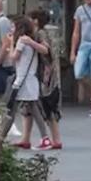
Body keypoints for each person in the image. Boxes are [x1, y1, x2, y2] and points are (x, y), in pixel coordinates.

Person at [1, 17, 51, 149]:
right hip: (30, 79)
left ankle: (1, 138)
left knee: (11, 109)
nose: (11, 29)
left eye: (13, 27)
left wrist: (11, 43)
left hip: (22, 80)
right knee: (33, 108)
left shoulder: (22, 40)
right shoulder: (30, 39)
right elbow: (44, 51)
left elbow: (13, 58)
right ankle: (45, 138)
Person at [29, 8, 63, 149]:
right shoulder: (46, 32)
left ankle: (55, 139)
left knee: (48, 107)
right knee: (50, 108)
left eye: (31, 18)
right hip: (50, 74)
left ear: (36, 21)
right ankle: (56, 139)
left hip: (46, 76)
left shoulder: (40, 33)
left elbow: (45, 49)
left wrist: (31, 43)